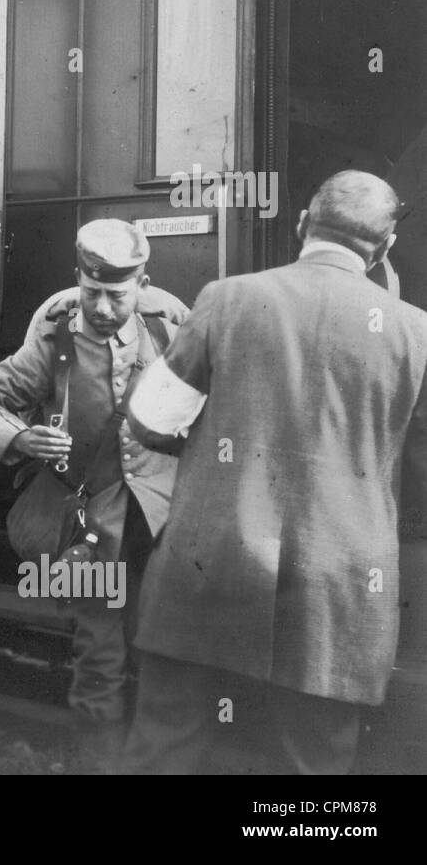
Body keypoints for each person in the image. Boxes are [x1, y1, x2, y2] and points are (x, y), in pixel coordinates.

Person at [123, 170, 427, 774]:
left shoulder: (226, 297)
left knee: (165, 748)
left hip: (210, 563)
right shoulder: (415, 331)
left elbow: (149, 419)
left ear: (301, 225)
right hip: (338, 585)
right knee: (309, 774)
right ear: (384, 248)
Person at [0, 220, 187, 772]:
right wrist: (19, 435)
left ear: (142, 282)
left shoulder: (171, 329)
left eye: (117, 294)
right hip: (89, 531)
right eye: (92, 292)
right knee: (98, 658)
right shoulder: (55, 336)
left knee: (162, 654)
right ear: (77, 280)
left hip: (160, 526)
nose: (103, 308)